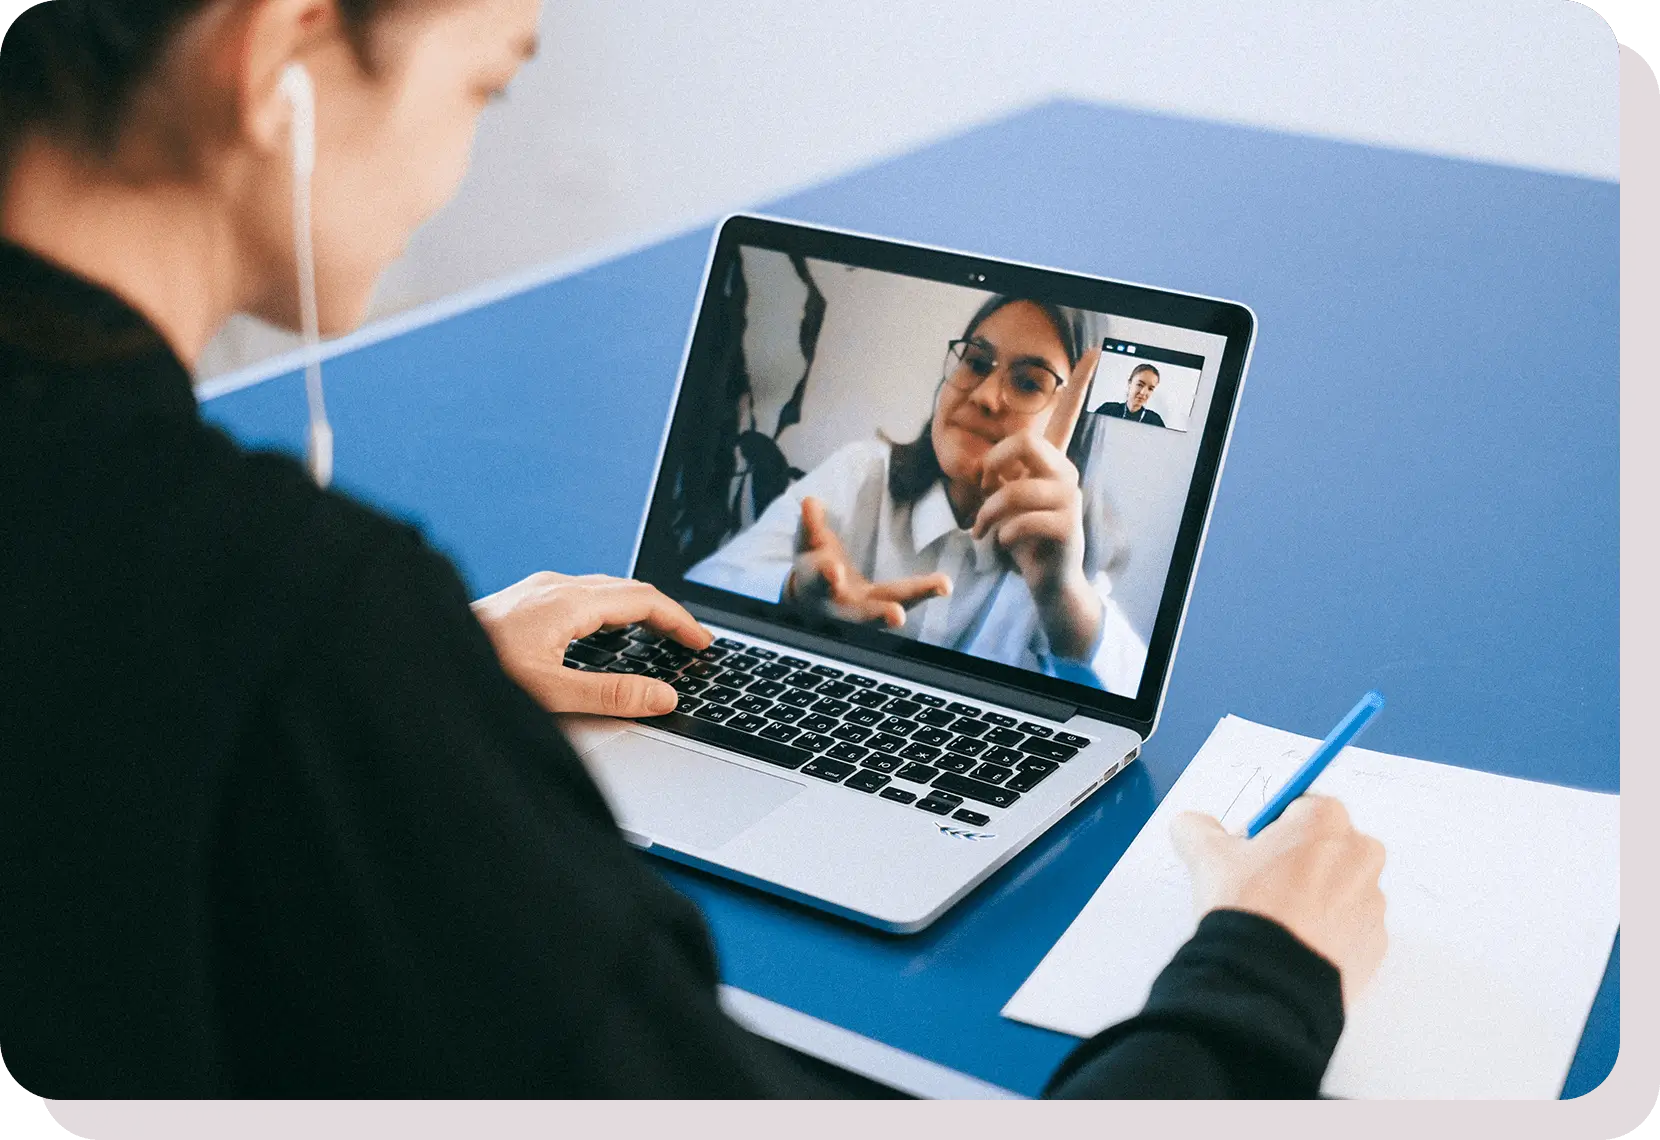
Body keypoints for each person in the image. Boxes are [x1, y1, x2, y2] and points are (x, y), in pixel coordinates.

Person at [0, 0, 1387, 1099]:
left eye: (1030, 378)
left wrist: (427, 670)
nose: (462, 159)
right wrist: (1261, 977)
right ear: (282, 53)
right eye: (486, 82)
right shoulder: (314, 630)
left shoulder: (1065, 556)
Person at [688, 295, 1150, 696]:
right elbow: (704, 585)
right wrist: (792, 592)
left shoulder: (1068, 556)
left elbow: (1130, 705)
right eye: (974, 362)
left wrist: (1061, 593)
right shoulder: (862, 472)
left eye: (1028, 382)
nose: (987, 396)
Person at [1095, 362, 1167, 427]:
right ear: (1129, 383)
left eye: (1150, 389)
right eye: (1140, 385)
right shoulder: (1107, 410)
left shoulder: (1155, 421)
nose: (1143, 392)